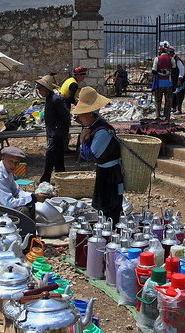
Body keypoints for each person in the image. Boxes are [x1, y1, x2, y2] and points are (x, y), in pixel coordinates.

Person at [72, 86, 123, 224]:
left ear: (89, 114)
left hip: (110, 174)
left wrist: (83, 141)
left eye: (80, 116)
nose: (79, 119)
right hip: (104, 172)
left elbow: (91, 156)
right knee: (104, 207)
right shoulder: (94, 127)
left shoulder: (102, 131)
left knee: (111, 206)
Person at [0, 146, 48, 218]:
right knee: (22, 211)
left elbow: (17, 192)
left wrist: (33, 196)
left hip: (1, 205)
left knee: (31, 203)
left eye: (16, 163)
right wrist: (34, 198)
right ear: (3, 158)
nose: (13, 165)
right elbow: (8, 203)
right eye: (11, 161)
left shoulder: (8, 172)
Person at [36, 75, 71, 183]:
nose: (40, 92)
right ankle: (61, 180)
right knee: (58, 160)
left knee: (50, 158)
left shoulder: (56, 99)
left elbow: (66, 115)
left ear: (46, 89)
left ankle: (45, 180)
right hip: (53, 133)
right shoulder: (49, 99)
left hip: (57, 134)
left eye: (40, 89)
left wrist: (64, 131)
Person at [152, 44, 176, 120]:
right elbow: (174, 68)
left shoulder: (157, 59)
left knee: (158, 100)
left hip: (159, 83)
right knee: (168, 100)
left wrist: (160, 71)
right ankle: (167, 116)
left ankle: (158, 115)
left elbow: (154, 70)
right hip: (168, 83)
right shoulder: (171, 58)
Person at [168, 46, 185, 115]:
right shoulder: (171, 60)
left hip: (179, 80)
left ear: (173, 52)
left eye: (170, 52)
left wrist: (180, 79)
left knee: (180, 95)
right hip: (174, 79)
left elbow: (182, 70)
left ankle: (179, 109)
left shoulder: (177, 60)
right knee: (174, 94)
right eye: (168, 52)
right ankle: (174, 108)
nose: (169, 53)